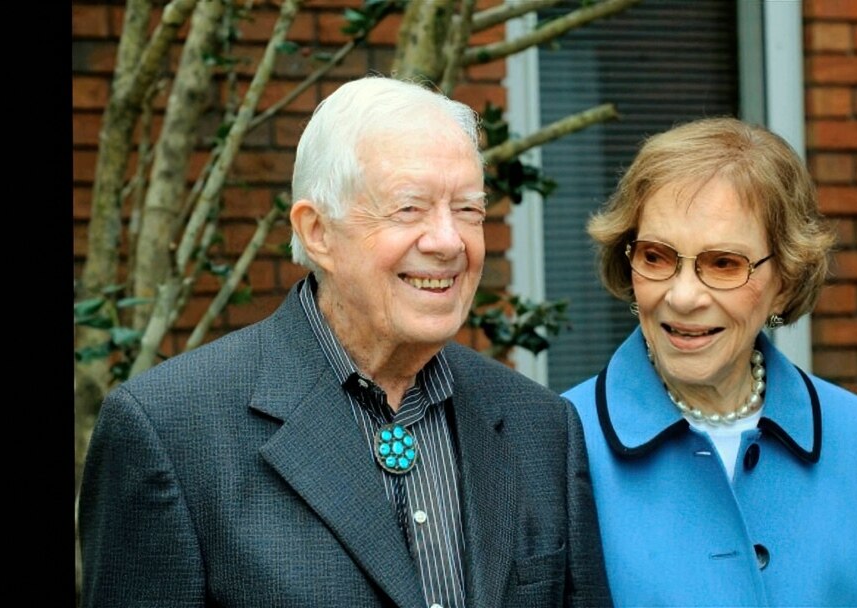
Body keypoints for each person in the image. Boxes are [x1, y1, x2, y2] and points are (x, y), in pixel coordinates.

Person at [79, 75, 612, 608]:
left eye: (468, 209)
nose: (449, 240)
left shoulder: (541, 427)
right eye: (409, 208)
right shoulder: (172, 430)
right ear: (317, 232)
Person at [563, 117, 857, 607]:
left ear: (785, 281)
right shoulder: (560, 442)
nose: (684, 296)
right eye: (656, 256)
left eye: (723, 264)